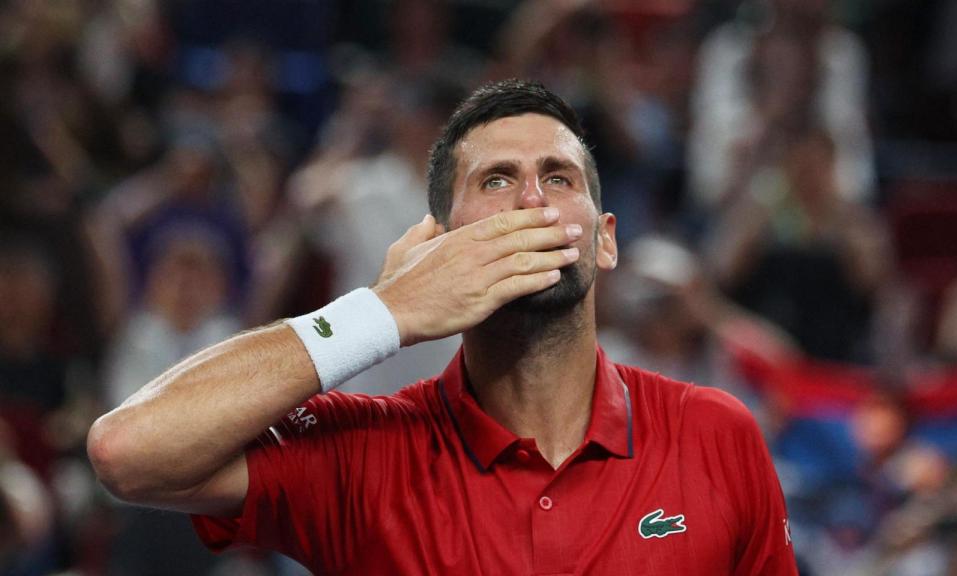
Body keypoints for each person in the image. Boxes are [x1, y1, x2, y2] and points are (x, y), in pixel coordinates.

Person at [87, 79, 797, 575]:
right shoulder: (366, 453)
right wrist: (384, 308)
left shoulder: (715, 433)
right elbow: (127, 449)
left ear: (604, 240)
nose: (530, 201)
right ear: (437, 241)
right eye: (495, 181)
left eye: (559, 178)